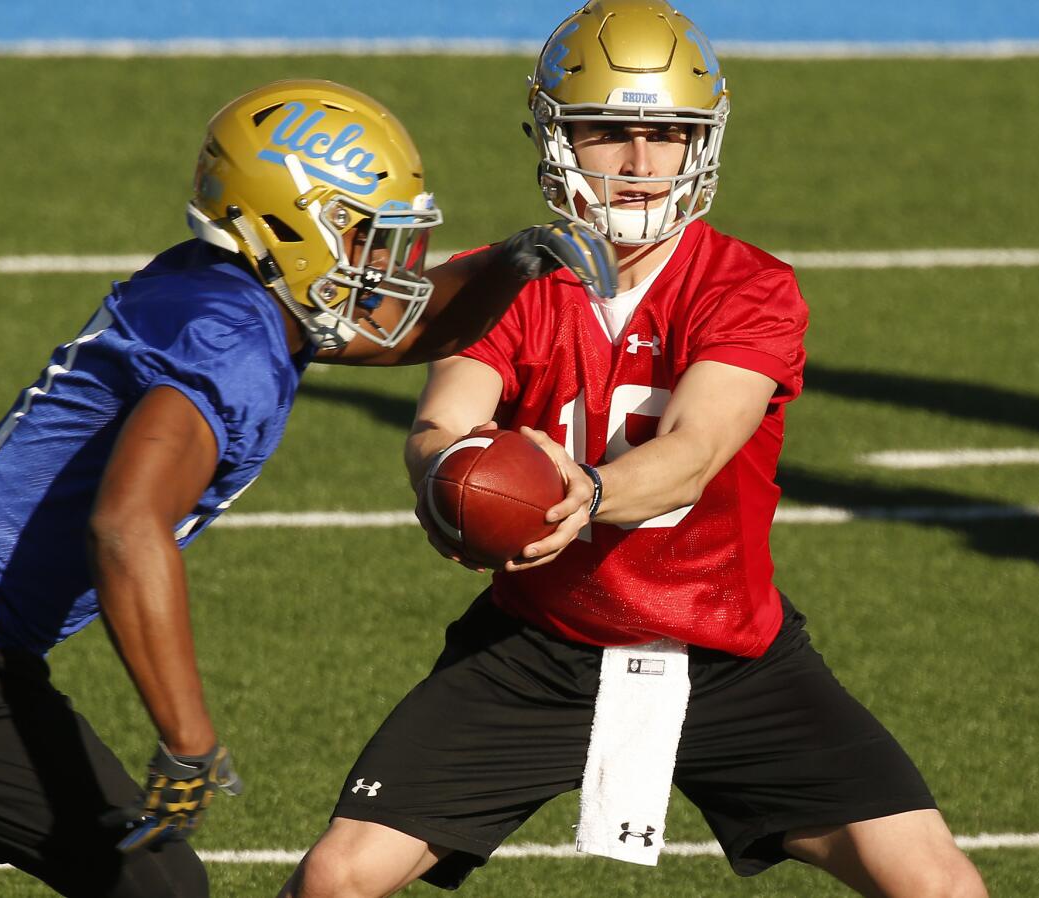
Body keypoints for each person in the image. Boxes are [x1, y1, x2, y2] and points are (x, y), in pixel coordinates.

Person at [282, 5, 989, 898]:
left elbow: (693, 452)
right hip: (538, 642)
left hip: (728, 650)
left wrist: (574, 490)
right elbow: (441, 424)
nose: (642, 162)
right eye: (610, 130)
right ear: (556, 135)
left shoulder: (748, 285)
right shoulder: (504, 276)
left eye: (669, 132)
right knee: (336, 877)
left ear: (705, 140)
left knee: (939, 884)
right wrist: (446, 484)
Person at [0, 78, 613, 898]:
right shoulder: (230, 340)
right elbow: (126, 527)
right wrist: (188, 738)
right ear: (288, 228)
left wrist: (511, 264)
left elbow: (406, 329)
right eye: (364, 237)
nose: (385, 263)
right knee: (158, 885)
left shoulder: (231, 290)